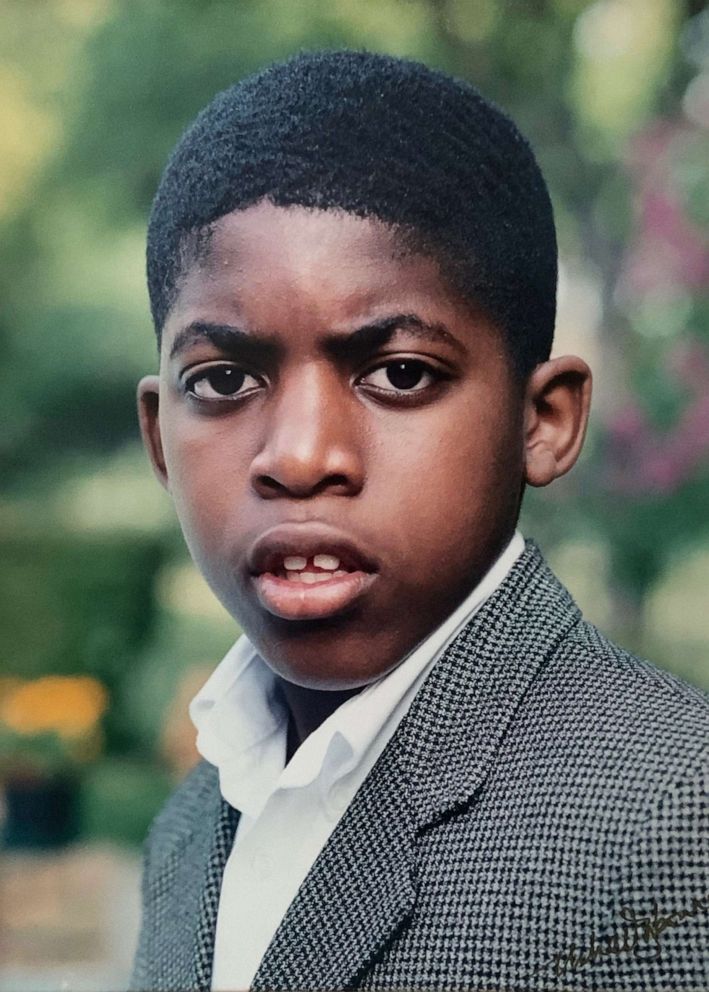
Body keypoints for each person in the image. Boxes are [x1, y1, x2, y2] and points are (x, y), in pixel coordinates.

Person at [132, 50, 708, 992]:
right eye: (225, 380)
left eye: (399, 373)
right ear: (161, 439)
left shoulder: (676, 820)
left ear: (543, 420)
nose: (300, 455)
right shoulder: (188, 829)